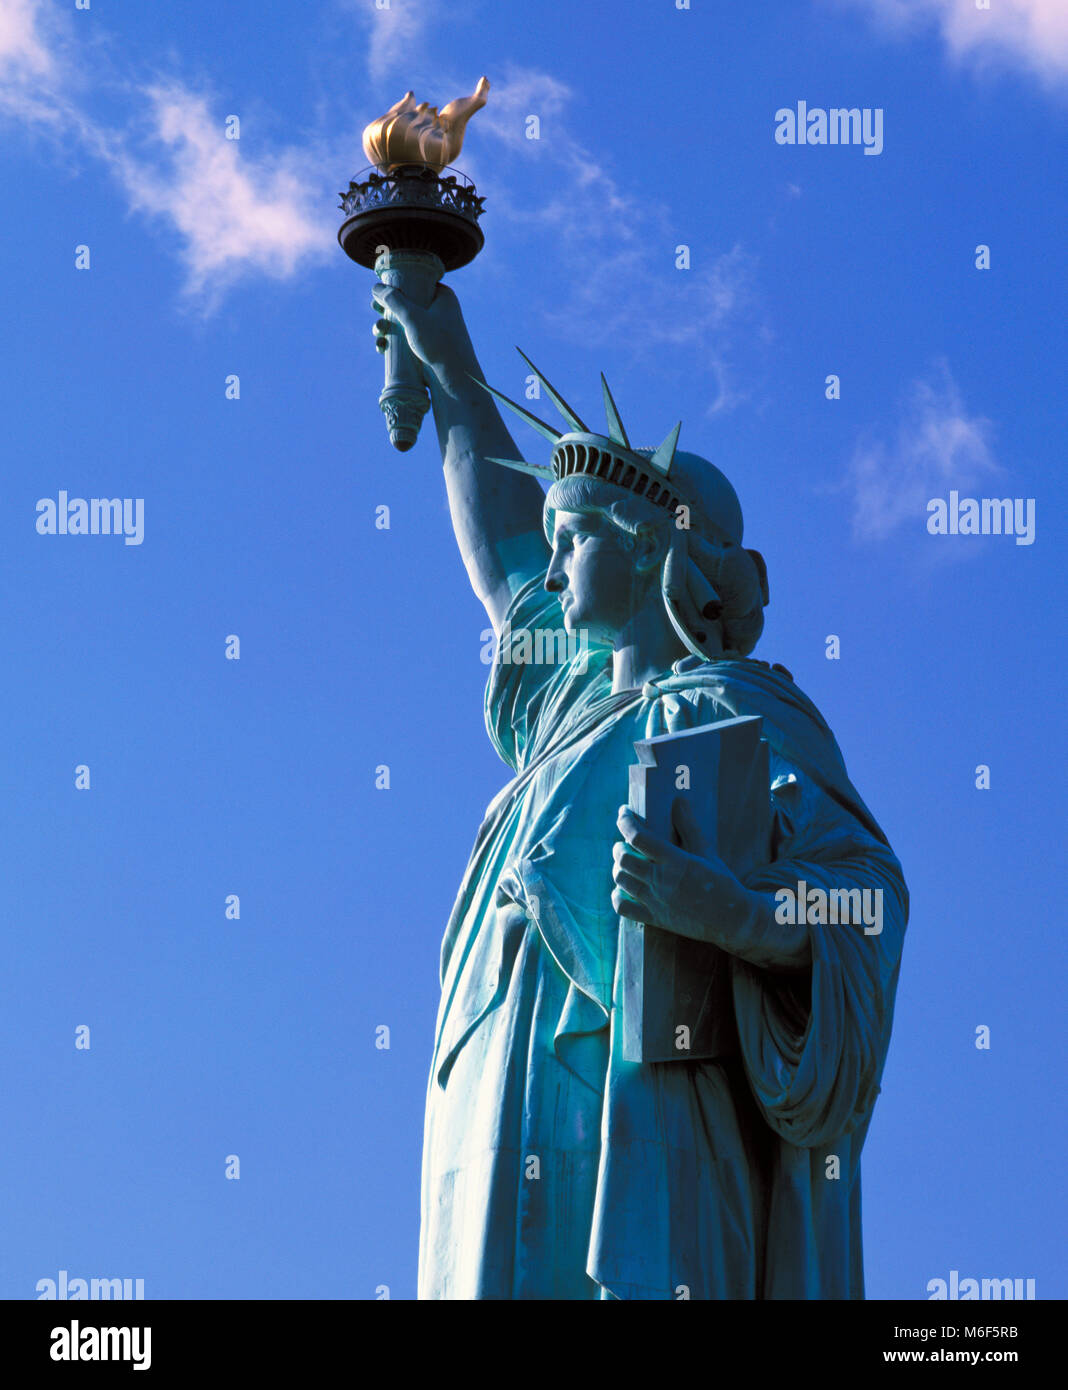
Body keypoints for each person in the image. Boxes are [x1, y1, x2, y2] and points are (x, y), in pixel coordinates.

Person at [371, 279, 909, 1300]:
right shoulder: (565, 718)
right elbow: (502, 560)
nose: (554, 560)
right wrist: (443, 357)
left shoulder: (735, 710)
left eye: (574, 536)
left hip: (655, 1121)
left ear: (649, 546)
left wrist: (738, 913)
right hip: (496, 1112)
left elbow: (865, 900)